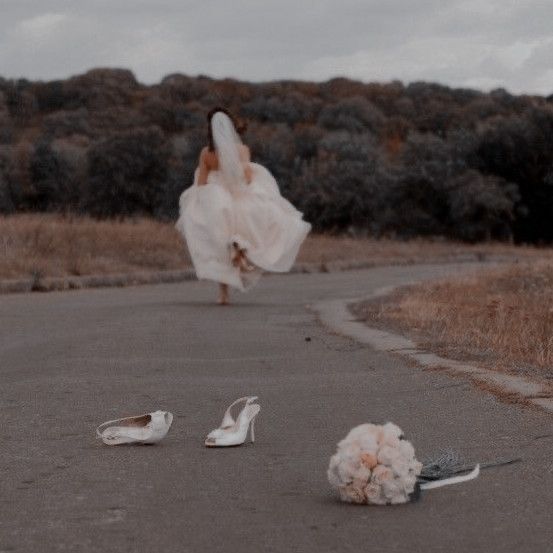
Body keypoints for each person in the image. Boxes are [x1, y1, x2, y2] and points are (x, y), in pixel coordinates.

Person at [176, 108, 311, 304]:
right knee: (253, 230)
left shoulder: (206, 153)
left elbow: (201, 184)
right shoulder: (242, 150)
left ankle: (223, 292)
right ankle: (240, 246)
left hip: (216, 200)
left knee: (217, 245)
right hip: (239, 197)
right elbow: (246, 178)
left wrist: (204, 197)